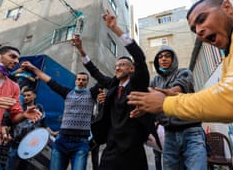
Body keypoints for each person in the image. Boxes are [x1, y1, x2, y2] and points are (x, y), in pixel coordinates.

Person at [127, 0, 233, 169]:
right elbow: (221, 100)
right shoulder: (229, 57)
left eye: (202, 19)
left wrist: (165, 102)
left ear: (227, 7)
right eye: (194, 29)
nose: (199, 30)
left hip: (190, 131)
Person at [71, 10, 160, 170]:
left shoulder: (138, 83)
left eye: (123, 65)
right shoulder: (112, 85)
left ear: (132, 69)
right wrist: (81, 50)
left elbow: (139, 57)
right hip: (111, 146)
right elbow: (95, 72)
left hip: (133, 147)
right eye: (116, 65)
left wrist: (115, 28)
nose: (118, 67)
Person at [20, 61, 98, 170]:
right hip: (62, 141)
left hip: (81, 143)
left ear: (87, 82)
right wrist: (33, 68)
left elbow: (101, 79)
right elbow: (49, 81)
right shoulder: (67, 93)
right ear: (75, 81)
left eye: (83, 80)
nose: (80, 81)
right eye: (78, 79)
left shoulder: (91, 94)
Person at [150, 46, 207, 169]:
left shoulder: (184, 72)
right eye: (160, 57)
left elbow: (180, 86)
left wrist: (164, 94)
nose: (163, 59)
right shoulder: (155, 81)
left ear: (173, 59)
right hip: (169, 134)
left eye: (167, 56)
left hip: (191, 132)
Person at [3, 88, 51, 170]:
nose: (26, 97)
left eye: (28, 95)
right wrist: (6, 134)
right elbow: (6, 123)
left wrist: (50, 132)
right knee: (11, 167)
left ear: (34, 96)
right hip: (16, 144)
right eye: (24, 95)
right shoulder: (17, 109)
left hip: (31, 146)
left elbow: (43, 125)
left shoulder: (40, 109)